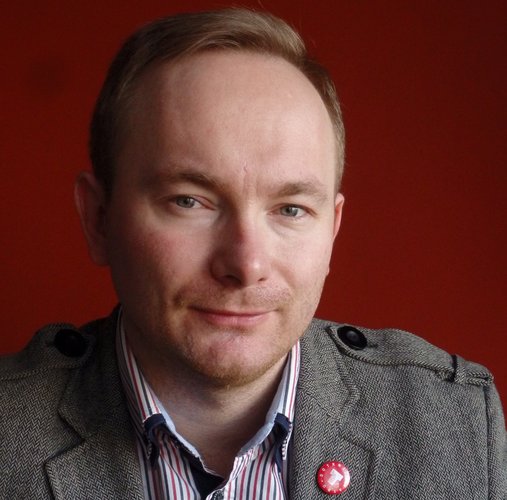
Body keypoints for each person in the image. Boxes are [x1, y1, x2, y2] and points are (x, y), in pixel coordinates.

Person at [0, 8, 505, 499]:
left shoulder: (455, 422)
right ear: (98, 219)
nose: (246, 266)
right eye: (189, 201)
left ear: (332, 230)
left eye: (290, 209)